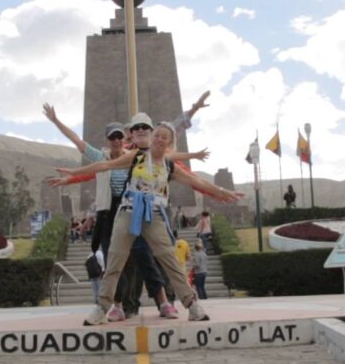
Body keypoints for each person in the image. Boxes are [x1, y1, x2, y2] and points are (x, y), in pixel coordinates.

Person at [56, 115, 242, 325]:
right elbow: (104, 166)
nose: (160, 139)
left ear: (169, 143)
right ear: (152, 137)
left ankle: (192, 305)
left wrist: (222, 191)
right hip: (127, 212)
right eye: (158, 136)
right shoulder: (136, 157)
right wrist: (74, 171)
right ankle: (102, 308)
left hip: (152, 215)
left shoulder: (169, 166)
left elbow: (196, 181)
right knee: (115, 261)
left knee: (169, 259)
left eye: (165, 137)